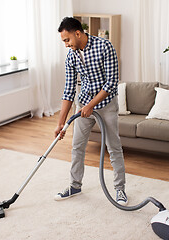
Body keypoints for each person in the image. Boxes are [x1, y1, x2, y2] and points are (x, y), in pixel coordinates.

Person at [54, 17, 127, 206]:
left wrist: (92, 105)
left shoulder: (105, 47)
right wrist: (61, 122)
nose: (66, 45)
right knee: (77, 146)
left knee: (114, 147)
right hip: (84, 104)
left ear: (77, 33)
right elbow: (69, 89)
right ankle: (75, 185)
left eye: (67, 40)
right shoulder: (71, 56)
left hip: (107, 104)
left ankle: (120, 190)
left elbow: (111, 82)